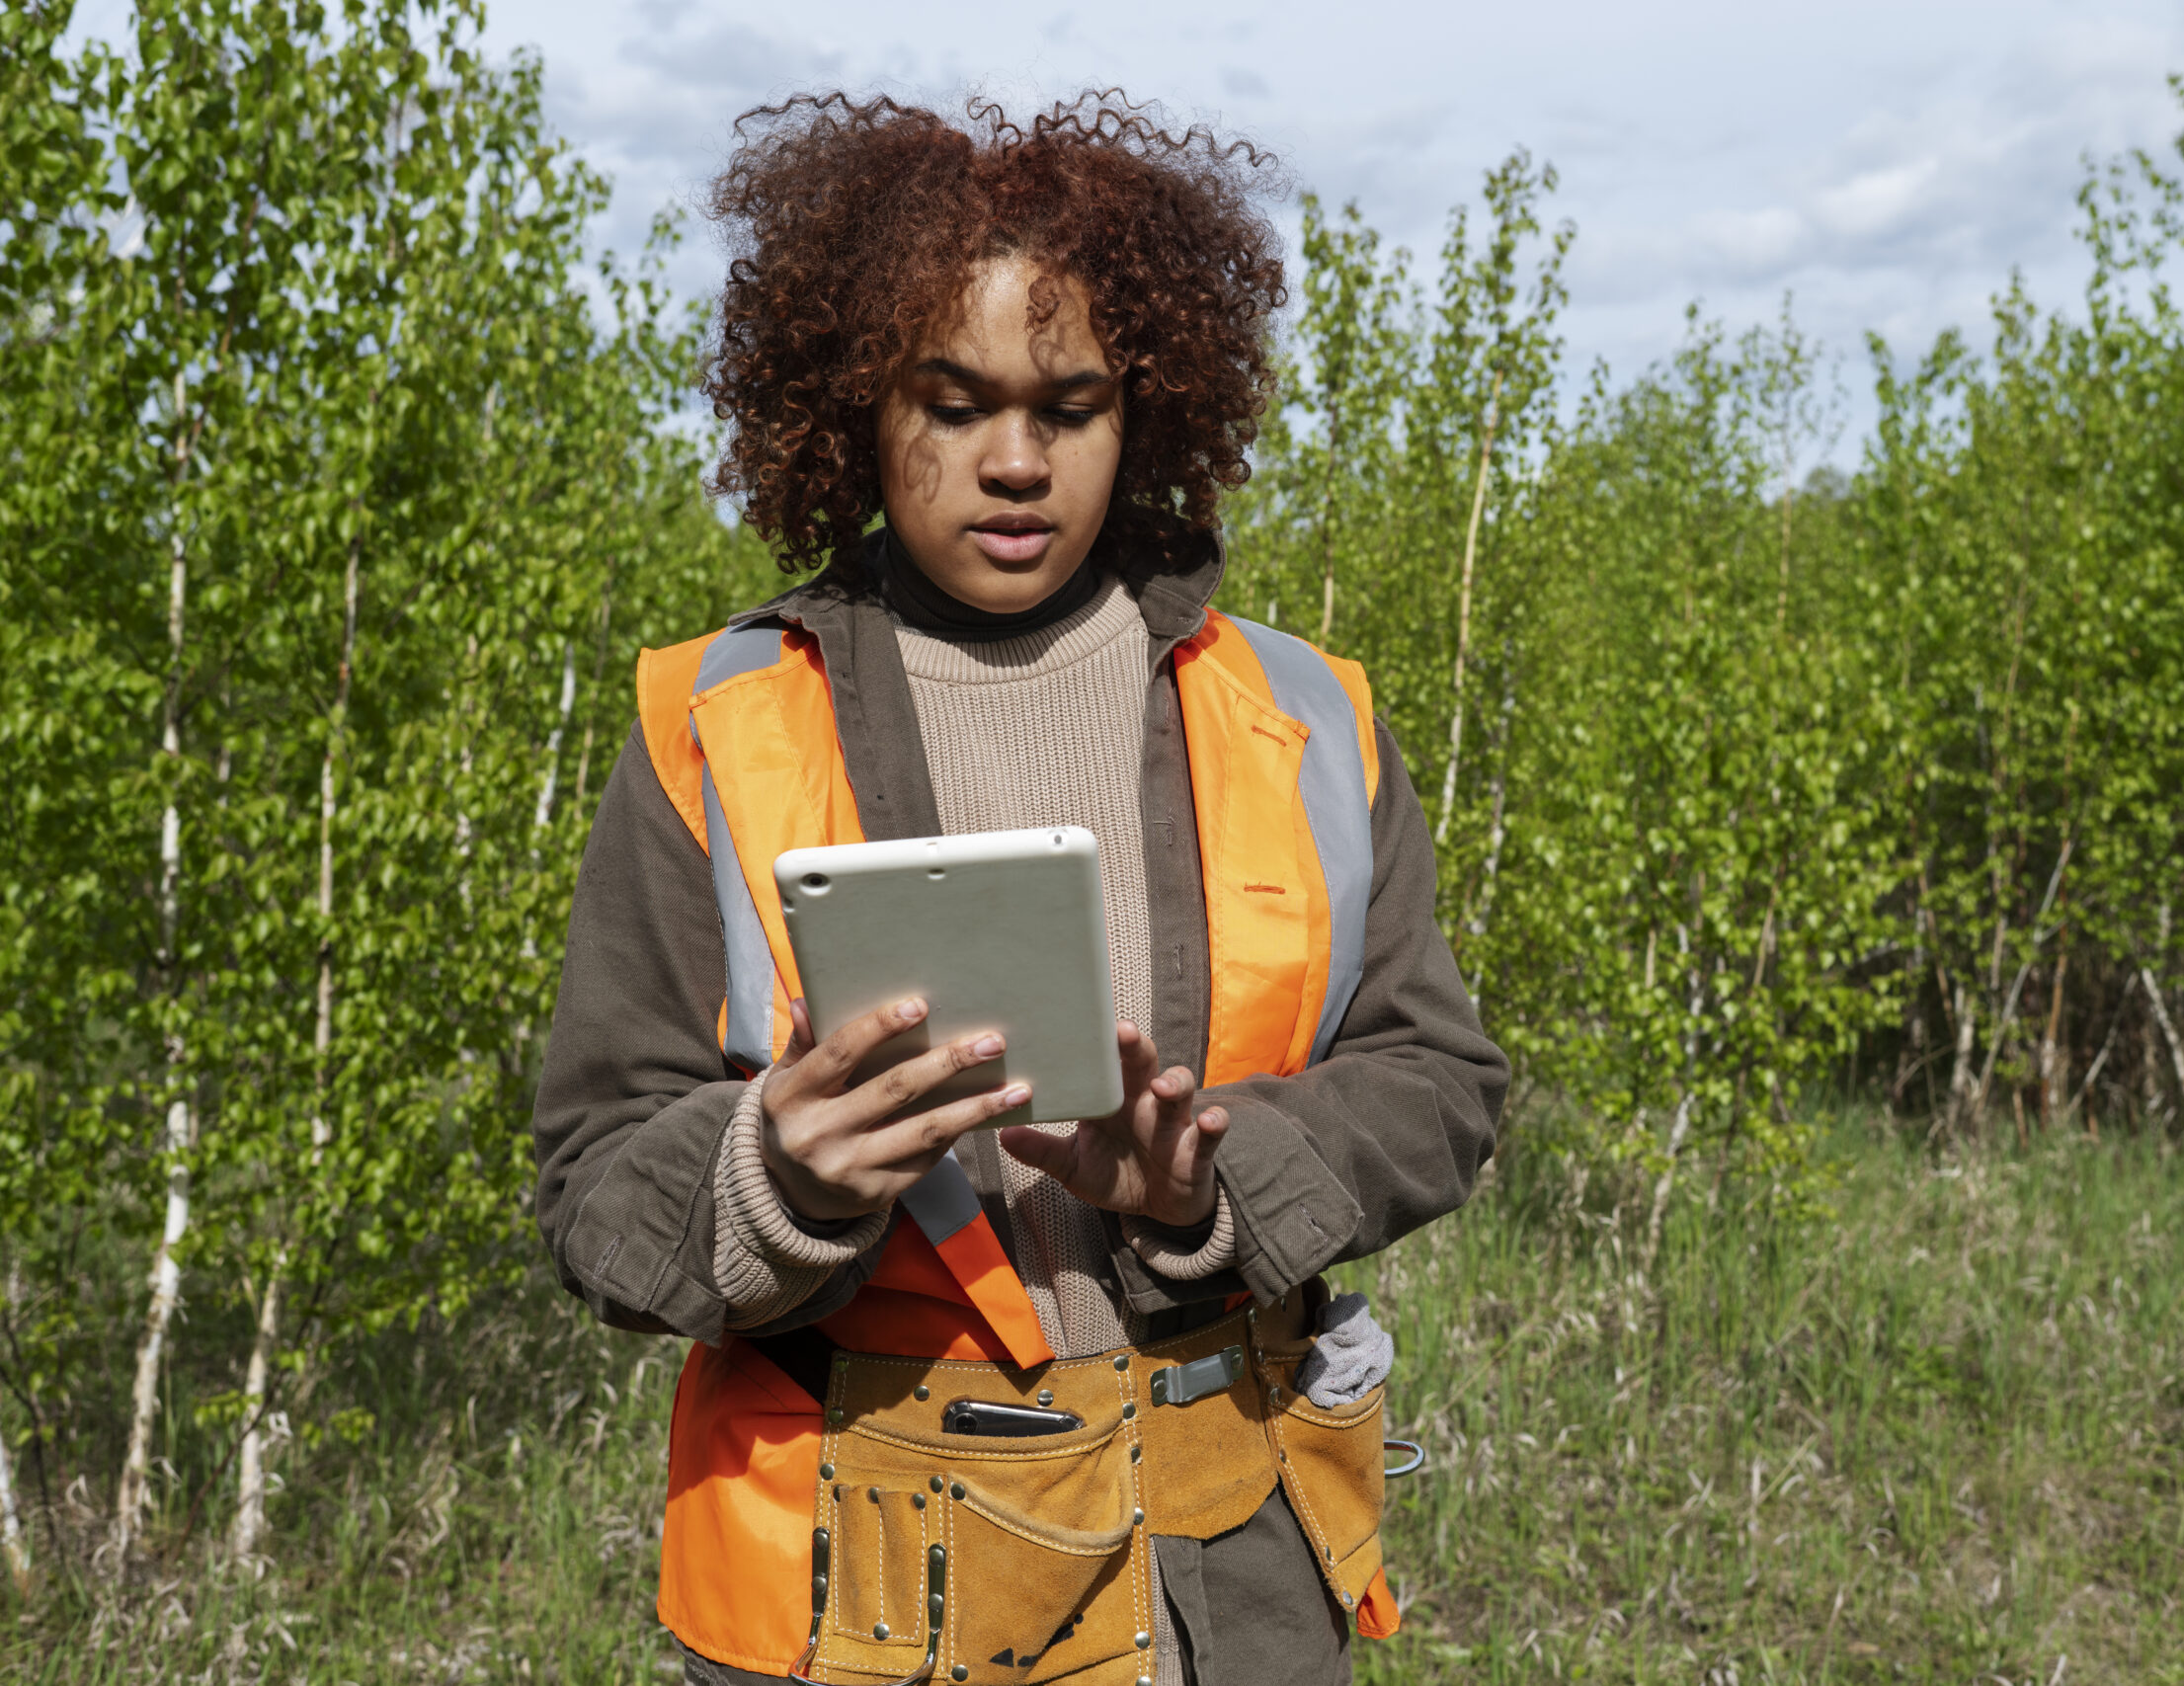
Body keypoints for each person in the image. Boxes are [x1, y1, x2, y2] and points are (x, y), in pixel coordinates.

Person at [532, 91, 1504, 1686]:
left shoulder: (1304, 712)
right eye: (954, 397)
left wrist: (1207, 1191)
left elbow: (1441, 1083)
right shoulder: (707, 724)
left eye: (1071, 405)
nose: (1014, 461)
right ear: (854, 401)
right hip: (851, 1584)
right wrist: (777, 1176)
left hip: (1229, 1578)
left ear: (1148, 413)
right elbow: (592, 1182)